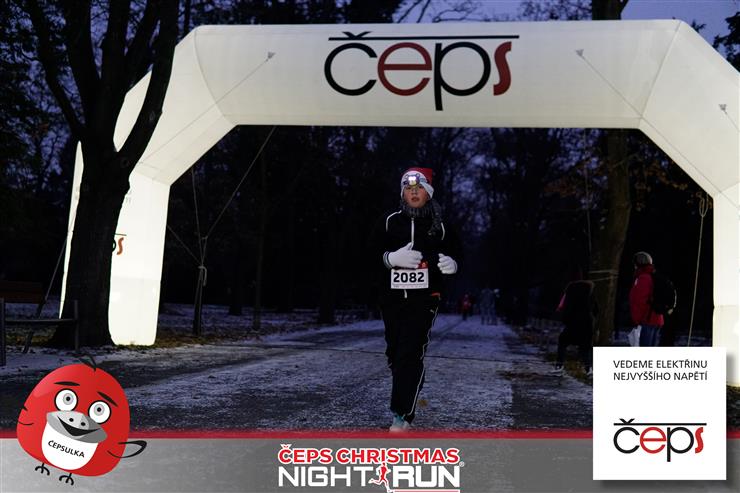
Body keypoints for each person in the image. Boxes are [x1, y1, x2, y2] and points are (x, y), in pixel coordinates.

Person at [371, 167, 461, 432]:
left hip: (425, 299)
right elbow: (367, 254)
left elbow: (458, 252)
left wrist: (453, 263)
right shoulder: (388, 222)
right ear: (402, 193)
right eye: (408, 188)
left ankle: (400, 416)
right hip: (391, 298)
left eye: (419, 188)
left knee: (409, 353)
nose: (413, 192)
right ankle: (412, 383)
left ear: (428, 193)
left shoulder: (440, 227)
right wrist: (389, 259)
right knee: (395, 354)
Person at [552, 279, 596, 376]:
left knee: (563, 341)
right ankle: (589, 368)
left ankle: (559, 365)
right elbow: (595, 309)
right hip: (586, 323)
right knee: (585, 346)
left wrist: (565, 320)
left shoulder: (571, 295)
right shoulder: (589, 295)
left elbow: (566, 310)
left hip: (573, 323)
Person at [629, 251, 664, 346]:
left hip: (647, 320)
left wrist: (636, 320)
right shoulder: (653, 275)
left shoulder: (643, 278)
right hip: (657, 319)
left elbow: (639, 302)